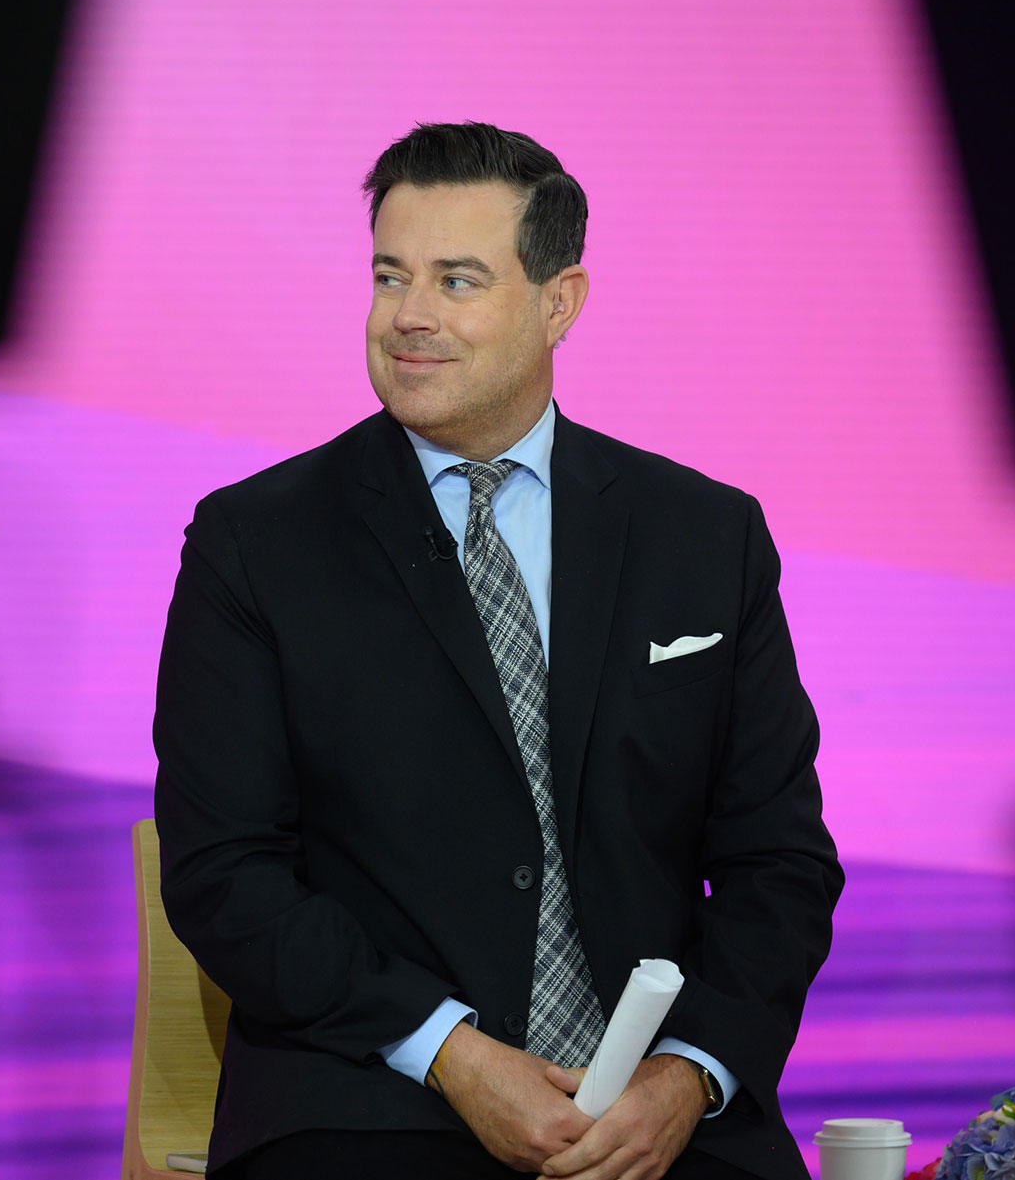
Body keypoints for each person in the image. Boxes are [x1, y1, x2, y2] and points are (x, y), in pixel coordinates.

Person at [153, 123, 843, 1180]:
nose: (408, 317)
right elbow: (225, 872)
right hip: (371, 1100)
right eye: (390, 276)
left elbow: (778, 864)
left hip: (659, 1119)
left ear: (557, 301)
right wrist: (453, 1053)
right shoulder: (256, 541)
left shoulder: (705, 535)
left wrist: (688, 1071)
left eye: (456, 280)